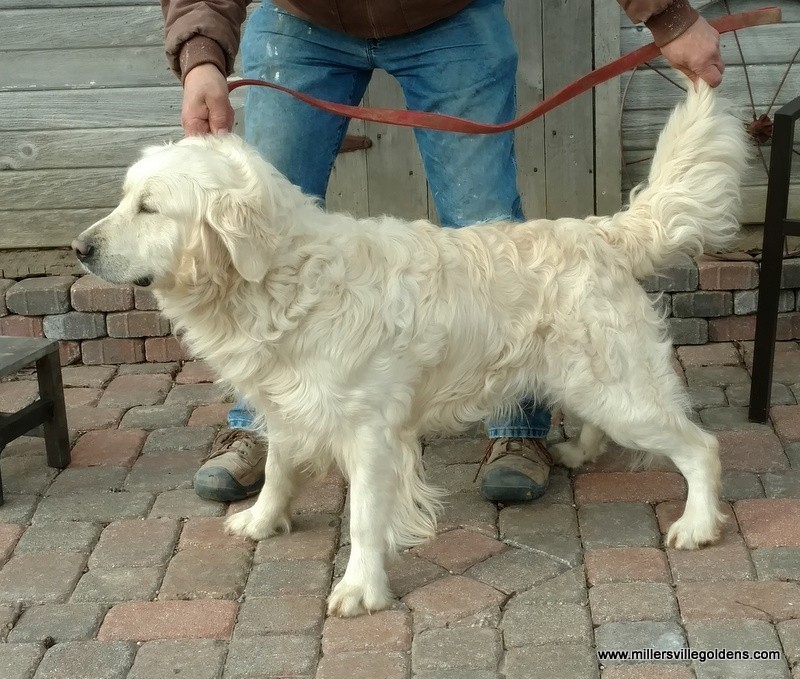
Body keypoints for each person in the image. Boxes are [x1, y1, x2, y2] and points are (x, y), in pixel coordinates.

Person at [160, 0, 724, 505]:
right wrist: (202, 52)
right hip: (301, 18)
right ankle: (262, 427)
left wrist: (667, 14)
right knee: (255, 240)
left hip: (448, 16)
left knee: (489, 231)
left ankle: (518, 430)